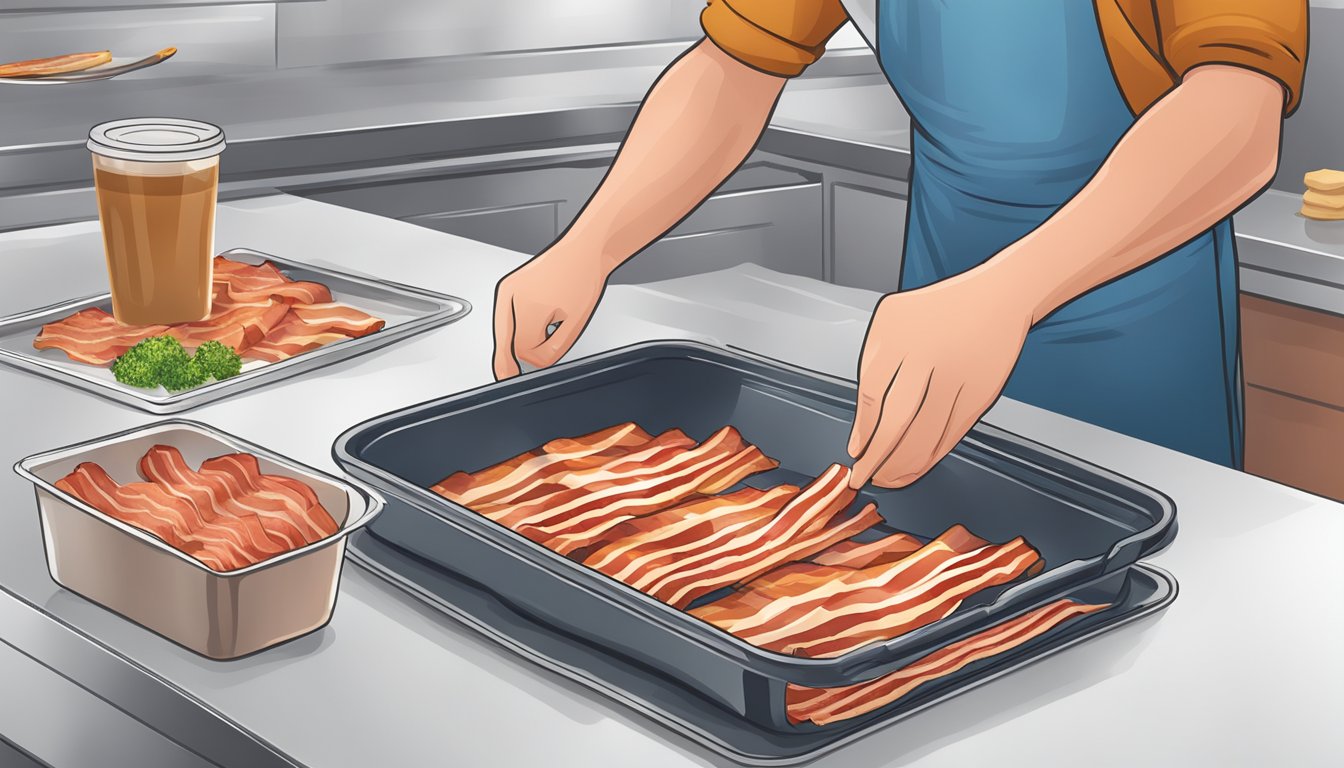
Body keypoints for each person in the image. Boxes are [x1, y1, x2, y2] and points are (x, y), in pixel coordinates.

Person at [493, 0, 1308, 489]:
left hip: (1135, 331)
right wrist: (589, 245)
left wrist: (1006, 293)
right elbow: (734, 67)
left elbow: (1239, 110)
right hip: (930, 317)